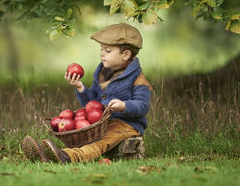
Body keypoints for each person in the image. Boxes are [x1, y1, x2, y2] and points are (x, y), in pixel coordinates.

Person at [22, 23, 153, 163]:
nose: (102, 53)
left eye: (108, 51)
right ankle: (48, 156)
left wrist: (124, 106)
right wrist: (80, 88)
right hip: (101, 123)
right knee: (83, 134)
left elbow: (143, 105)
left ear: (126, 54)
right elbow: (91, 106)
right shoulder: (103, 74)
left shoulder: (138, 78)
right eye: (101, 49)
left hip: (126, 125)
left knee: (100, 143)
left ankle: (68, 156)